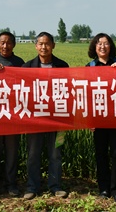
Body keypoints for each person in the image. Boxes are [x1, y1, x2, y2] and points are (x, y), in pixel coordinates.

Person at [22, 31, 69, 200]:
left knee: (56, 154)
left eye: (47, 43)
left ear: (53, 45)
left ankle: (55, 186)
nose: (44, 47)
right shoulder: (27, 67)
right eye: (40, 44)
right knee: (33, 154)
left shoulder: (63, 66)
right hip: (34, 120)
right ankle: (32, 187)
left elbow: (69, 92)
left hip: (58, 120)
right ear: (36, 46)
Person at [86, 33, 116, 204]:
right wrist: (89, 119)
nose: (102, 46)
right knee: (100, 154)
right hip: (98, 117)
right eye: (99, 43)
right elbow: (86, 95)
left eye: (106, 43)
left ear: (111, 46)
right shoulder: (90, 67)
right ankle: (103, 188)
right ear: (94, 47)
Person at [0, 31, 25, 200]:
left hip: (13, 114)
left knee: (12, 150)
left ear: (14, 45)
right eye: (2, 42)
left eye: (8, 43)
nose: (5, 46)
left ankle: (11, 184)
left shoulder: (20, 63)